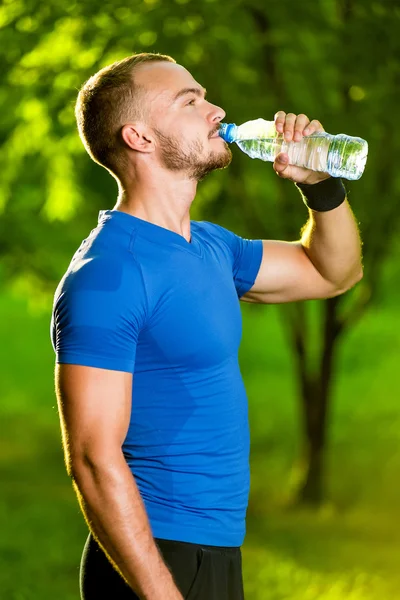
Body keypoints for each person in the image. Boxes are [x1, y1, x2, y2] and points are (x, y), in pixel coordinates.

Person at [51, 52, 363, 600]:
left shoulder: (211, 246)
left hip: (215, 549)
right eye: (189, 101)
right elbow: (92, 460)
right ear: (139, 137)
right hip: (155, 557)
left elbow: (334, 273)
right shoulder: (108, 276)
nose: (215, 109)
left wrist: (320, 185)